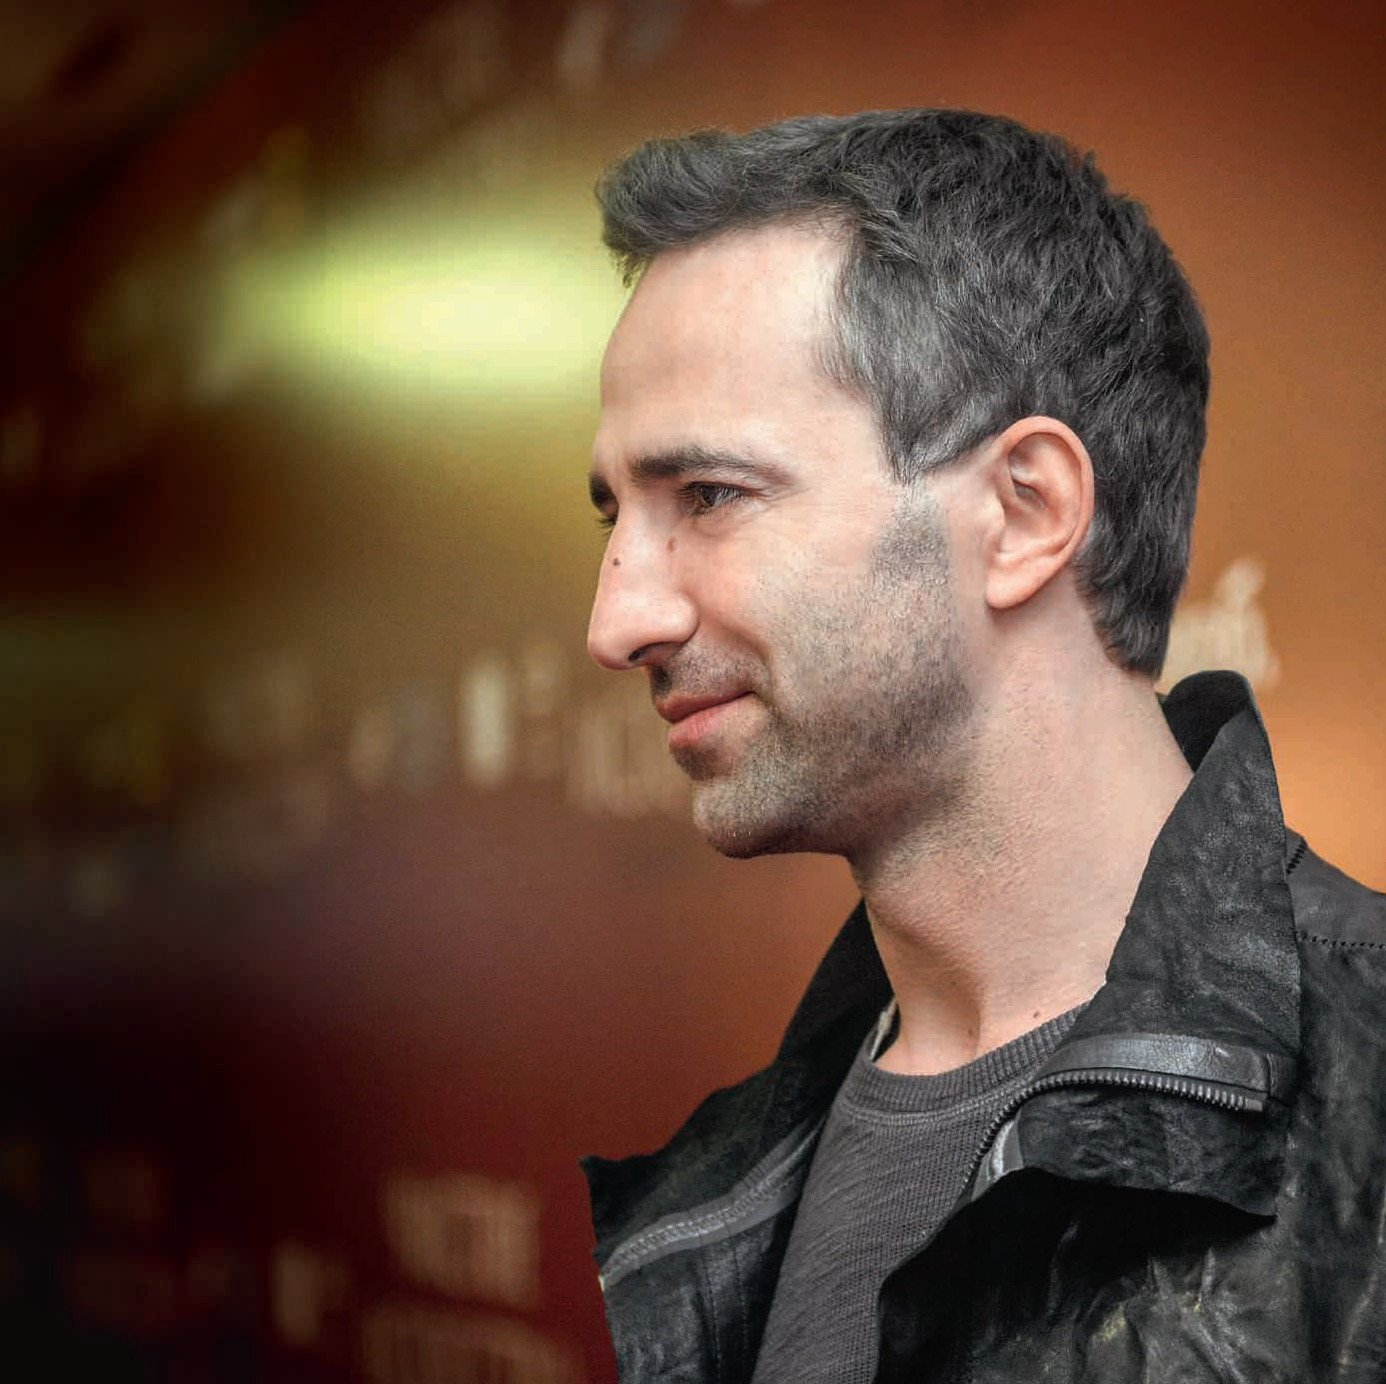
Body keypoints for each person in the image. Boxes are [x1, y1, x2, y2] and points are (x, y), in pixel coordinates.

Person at [580, 108, 1386, 1383]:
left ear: (1024, 512)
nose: (617, 620)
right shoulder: (741, 1181)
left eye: (711, 497)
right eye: (614, 515)